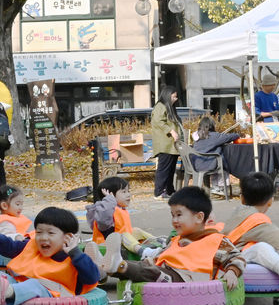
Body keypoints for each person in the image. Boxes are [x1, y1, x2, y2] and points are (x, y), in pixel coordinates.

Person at [102, 186, 246, 289]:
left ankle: (119, 265)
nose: (174, 220)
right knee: (144, 268)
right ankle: (103, 269)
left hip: (187, 281)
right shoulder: (176, 240)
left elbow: (236, 258)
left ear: (199, 217)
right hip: (166, 274)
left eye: (179, 215)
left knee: (151, 272)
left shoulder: (216, 241)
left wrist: (232, 272)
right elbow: (160, 257)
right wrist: (148, 261)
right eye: (172, 215)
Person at [192, 116, 240, 196]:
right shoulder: (214, 136)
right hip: (208, 164)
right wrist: (237, 134)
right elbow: (229, 137)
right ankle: (219, 187)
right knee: (223, 164)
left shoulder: (196, 135)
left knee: (216, 157)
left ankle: (215, 187)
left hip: (195, 164)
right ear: (212, 125)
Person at [151, 86, 183, 200]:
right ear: (167, 95)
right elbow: (158, 121)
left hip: (171, 145)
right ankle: (158, 192)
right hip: (165, 144)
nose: (176, 99)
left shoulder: (170, 107)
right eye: (174, 96)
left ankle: (170, 190)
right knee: (164, 169)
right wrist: (171, 131)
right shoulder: (160, 106)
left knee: (171, 169)